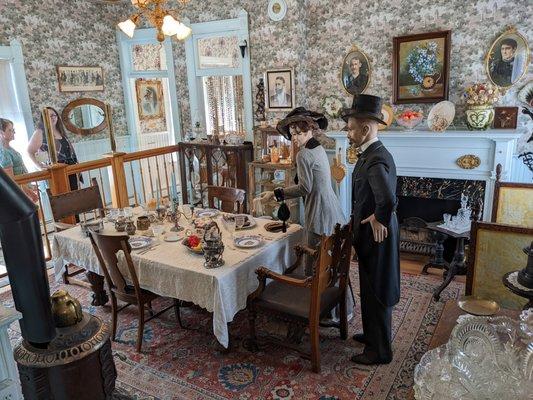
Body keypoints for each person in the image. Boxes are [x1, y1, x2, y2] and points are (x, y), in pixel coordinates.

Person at [341, 94, 400, 365]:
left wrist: (380, 218)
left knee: (376, 289)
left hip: (378, 236)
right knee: (371, 285)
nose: (348, 132)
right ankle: (373, 336)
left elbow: (387, 199)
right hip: (374, 236)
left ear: (365, 129)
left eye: (351, 127)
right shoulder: (375, 153)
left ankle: (379, 351)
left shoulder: (375, 160)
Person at [260, 107, 348, 274]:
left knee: (314, 261)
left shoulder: (304, 154)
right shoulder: (318, 148)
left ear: (310, 131)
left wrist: (274, 193)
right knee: (327, 256)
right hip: (330, 206)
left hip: (318, 210)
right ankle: (328, 287)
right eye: (293, 134)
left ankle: (314, 293)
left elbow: (304, 188)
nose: (295, 138)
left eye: (299, 133)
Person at [27, 107, 81, 190]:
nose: (51, 118)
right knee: (62, 196)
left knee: (74, 193)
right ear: (43, 118)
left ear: (57, 117)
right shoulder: (40, 132)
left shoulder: (60, 130)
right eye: (48, 116)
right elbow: (30, 151)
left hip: (70, 168)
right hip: (56, 170)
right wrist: (40, 166)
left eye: (53, 115)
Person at [0, 118, 38, 202]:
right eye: (10, 130)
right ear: (1, 132)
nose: (14, 132)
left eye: (13, 130)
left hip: (24, 189)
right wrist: (29, 192)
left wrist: (30, 186)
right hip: (19, 193)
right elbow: (11, 179)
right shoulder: (3, 152)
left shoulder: (9, 149)